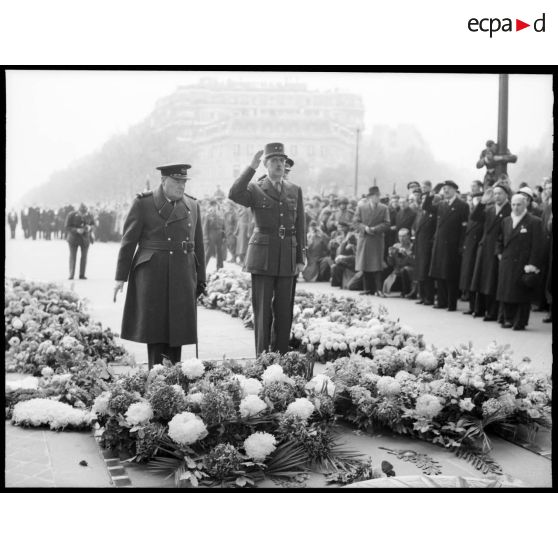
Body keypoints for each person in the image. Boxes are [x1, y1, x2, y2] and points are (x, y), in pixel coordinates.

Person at [113, 163, 206, 369]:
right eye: (177, 181)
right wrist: (120, 277)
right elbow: (129, 241)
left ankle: (173, 377)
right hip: (153, 273)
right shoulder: (143, 203)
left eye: (184, 181)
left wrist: (201, 279)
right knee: (155, 329)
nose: (181, 185)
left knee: (178, 329)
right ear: (163, 181)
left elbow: (198, 244)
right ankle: (156, 377)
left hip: (182, 272)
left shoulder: (192, 205)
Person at [229, 143, 306, 356]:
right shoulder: (255, 189)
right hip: (263, 256)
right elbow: (234, 193)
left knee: (284, 311)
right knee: (263, 311)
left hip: (288, 255)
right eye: (274, 161)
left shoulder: (294, 190)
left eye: (282, 161)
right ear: (265, 164)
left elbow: (300, 225)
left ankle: (280, 356)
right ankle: (262, 357)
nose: (279, 164)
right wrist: (250, 168)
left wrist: (301, 256)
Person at [495, 194, 543, 330]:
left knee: (521, 293)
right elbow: (499, 239)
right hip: (507, 262)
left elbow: (537, 245)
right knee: (506, 291)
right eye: (513, 204)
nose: (516, 207)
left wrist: (532, 264)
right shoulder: (506, 221)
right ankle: (508, 319)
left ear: (525, 204)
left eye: (519, 204)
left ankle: (520, 321)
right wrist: (499, 253)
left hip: (523, 263)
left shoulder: (534, 221)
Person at [469, 183, 512, 321]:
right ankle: (479, 308)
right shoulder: (489, 209)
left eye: (500, 193)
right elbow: (475, 217)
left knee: (492, 281)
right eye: (495, 193)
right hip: (485, 247)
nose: (497, 196)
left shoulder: (510, 209)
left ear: (506, 195)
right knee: (481, 278)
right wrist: (482, 202)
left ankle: (492, 312)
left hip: (497, 248)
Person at [427, 180, 469, 311]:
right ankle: (441, 301)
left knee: (451, 275)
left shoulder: (462, 205)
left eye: (448, 188)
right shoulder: (441, 204)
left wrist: (461, 245)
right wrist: (431, 194)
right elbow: (427, 207)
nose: (445, 191)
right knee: (439, 274)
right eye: (444, 189)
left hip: (452, 244)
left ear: (455, 190)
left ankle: (451, 303)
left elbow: (464, 228)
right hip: (440, 243)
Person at [354, 185, 390, 297]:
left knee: (377, 264)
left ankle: (378, 289)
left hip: (377, 239)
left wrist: (375, 229)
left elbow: (387, 223)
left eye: (378, 195)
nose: (377, 198)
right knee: (365, 263)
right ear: (370, 197)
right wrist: (365, 228)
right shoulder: (361, 208)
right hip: (365, 238)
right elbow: (355, 222)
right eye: (375, 196)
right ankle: (367, 289)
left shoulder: (384, 208)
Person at [459, 190, 485, 314]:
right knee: (469, 278)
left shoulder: (483, 214)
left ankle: (478, 307)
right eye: (474, 200)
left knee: (476, 279)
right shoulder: (470, 214)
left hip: (477, 249)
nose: (476, 202)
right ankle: (472, 306)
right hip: (469, 249)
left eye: (479, 200)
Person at [412, 190, 439, 305]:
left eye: (425, 199)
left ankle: (429, 297)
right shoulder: (420, 213)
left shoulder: (433, 213)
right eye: (422, 199)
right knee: (420, 271)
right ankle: (422, 296)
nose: (423, 201)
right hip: (419, 245)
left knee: (426, 272)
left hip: (428, 245)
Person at [65, 203, 95, 280]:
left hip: (85, 238)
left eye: (84, 213)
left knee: (84, 257)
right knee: (73, 256)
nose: (83, 214)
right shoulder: (71, 215)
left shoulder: (89, 215)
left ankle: (82, 274)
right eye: (82, 213)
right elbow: (67, 227)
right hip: (73, 238)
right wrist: (76, 230)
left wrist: (90, 228)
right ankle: (71, 274)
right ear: (78, 211)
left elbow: (93, 225)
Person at [383, 228, 414, 296]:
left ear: (408, 236)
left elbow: (415, 262)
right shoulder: (396, 246)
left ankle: (406, 292)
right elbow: (391, 264)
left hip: (410, 271)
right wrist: (390, 255)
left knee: (404, 270)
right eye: (400, 236)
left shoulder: (413, 246)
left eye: (403, 236)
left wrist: (406, 255)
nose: (401, 238)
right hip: (397, 272)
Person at [203, 199, 225, 270]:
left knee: (219, 251)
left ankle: (220, 267)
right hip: (211, 234)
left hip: (219, 233)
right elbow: (205, 227)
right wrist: (206, 238)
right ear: (211, 206)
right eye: (213, 205)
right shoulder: (208, 215)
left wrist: (224, 236)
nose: (214, 207)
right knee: (209, 251)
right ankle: (203, 267)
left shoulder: (220, 214)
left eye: (215, 205)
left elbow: (223, 226)